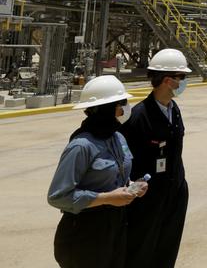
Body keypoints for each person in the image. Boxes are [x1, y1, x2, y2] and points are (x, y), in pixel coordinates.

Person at [48, 74, 148, 267]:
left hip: (116, 227)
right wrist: (107, 198)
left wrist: (133, 187)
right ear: (107, 109)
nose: (126, 109)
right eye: (122, 104)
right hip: (84, 233)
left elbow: (117, 179)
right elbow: (57, 196)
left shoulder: (118, 138)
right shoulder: (81, 146)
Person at [119, 48, 191, 268]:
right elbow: (126, 162)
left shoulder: (173, 109)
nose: (184, 83)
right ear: (168, 80)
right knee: (142, 251)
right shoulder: (139, 117)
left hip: (174, 193)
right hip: (148, 199)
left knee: (167, 250)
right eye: (182, 78)